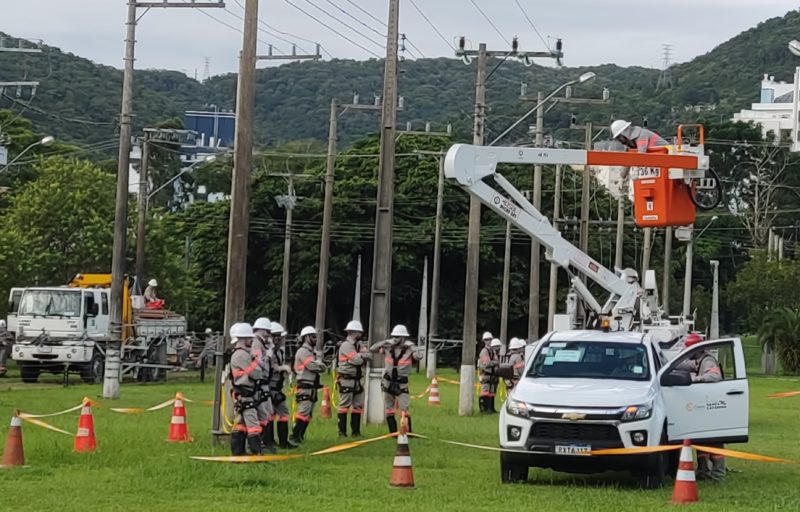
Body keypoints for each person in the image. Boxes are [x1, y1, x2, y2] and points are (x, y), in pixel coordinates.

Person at [682, 333, 726, 481]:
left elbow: (714, 377)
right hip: (705, 406)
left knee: (714, 441)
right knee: (701, 440)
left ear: (696, 350)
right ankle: (703, 471)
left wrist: (696, 379)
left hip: (712, 406)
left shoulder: (708, 362)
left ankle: (718, 473)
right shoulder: (699, 360)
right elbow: (686, 365)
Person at [369, 324, 423, 434]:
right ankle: (392, 432)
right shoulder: (387, 347)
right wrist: (385, 342)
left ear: (403, 338)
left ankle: (407, 432)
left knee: (404, 408)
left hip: (401, 382)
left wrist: (413, 347)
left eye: (398, 337)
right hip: (388, 381)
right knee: (389, 408)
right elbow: (372, 349)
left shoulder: (409, 350)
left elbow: (419, 356)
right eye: (394, 336)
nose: (395, 339)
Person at [228, 322, 265, 456]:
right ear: (243, 338)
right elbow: (257, 373)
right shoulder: (242, 355)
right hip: (245, 394)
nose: (252, 340)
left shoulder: (239, 354)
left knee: (240, 424)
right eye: (250, 338)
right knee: (253, 424)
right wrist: (256, 362)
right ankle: (257, 453)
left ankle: (238, 452)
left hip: (243, 394)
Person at [290, 326, 327, 446]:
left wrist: (320, 365)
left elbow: (319, 366)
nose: (316, 339)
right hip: (305, 386)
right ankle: (294, 436)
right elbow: (313, 367)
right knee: (303, 412)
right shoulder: (303, 352)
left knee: (308, 414)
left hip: (311, 387)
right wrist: (320, 366)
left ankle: (300, 436)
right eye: (313, 336)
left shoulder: (312, 352)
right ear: (306, 337)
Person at [335, 320, 369, 437]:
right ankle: (342, 432)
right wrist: (359, 357)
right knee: (344, 406)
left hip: (357, 380)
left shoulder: (359, 345)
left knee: (358, 406)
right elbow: (359, 360)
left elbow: (368, 356)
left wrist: (359, 357)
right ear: (354, 332)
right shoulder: (346, 345)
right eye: (359, 332)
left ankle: (356, 431)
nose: (361, 335)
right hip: (347, 380)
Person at [267, 321, 294, 449]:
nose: (277, 339)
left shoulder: (280, 352)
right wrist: (282, 367)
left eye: (279, 336)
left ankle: (282, 441)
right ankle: (270, 441)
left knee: (281, 413)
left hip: (277, 387)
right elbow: (271, 366)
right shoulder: (268, 352)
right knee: (271, 414)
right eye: (275, 336)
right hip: (268, 387)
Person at [252, 317, 276, 453]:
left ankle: (264, 442)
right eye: (267, 331)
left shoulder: (261, 343)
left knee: (267, 413)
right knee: (263, 413)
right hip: (260, 383)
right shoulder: (256, 343)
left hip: (264, 382)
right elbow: (258, 361)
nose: (268, 335)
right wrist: (268, 354)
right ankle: (261, 443)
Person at [478, 334, 501, 413]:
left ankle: (491, 408)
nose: (489, 341)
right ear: (484, 341)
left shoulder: (492, 351)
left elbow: (496, 361)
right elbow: (487, 364)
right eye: (487, 339)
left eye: (490, 339)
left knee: (491, 392)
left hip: (491, 374)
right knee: (485, 391)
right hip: (485, 374)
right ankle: (484, 409)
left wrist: (494, 362)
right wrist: (494, 363)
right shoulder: (484, 351)